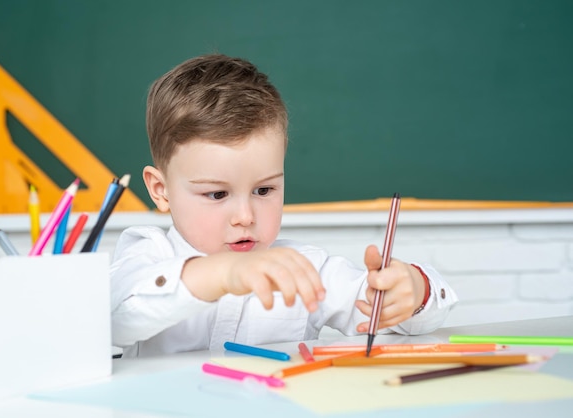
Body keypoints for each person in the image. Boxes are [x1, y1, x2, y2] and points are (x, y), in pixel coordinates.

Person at [110, 54, 457, 357]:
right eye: (217, 195)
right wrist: (222, 274)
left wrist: (413, 291)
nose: (245, 217)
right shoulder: (148, 253)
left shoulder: (307, 268)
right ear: (161, 190)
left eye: (264, 190)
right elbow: (115, 319)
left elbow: (388, 319)